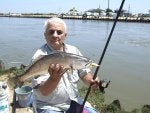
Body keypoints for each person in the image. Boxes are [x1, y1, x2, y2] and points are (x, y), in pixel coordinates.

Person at [31, 17, 100, 113]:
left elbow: (83, 72)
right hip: (49, 106)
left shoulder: (74, 51)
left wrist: (91, 82)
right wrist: (53, 79)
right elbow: (44, 91)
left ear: (65, 35)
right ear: (45, 35)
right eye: (51, 32)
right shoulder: (39, 56)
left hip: (74, 101)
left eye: (59, 32)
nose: (55, 35)